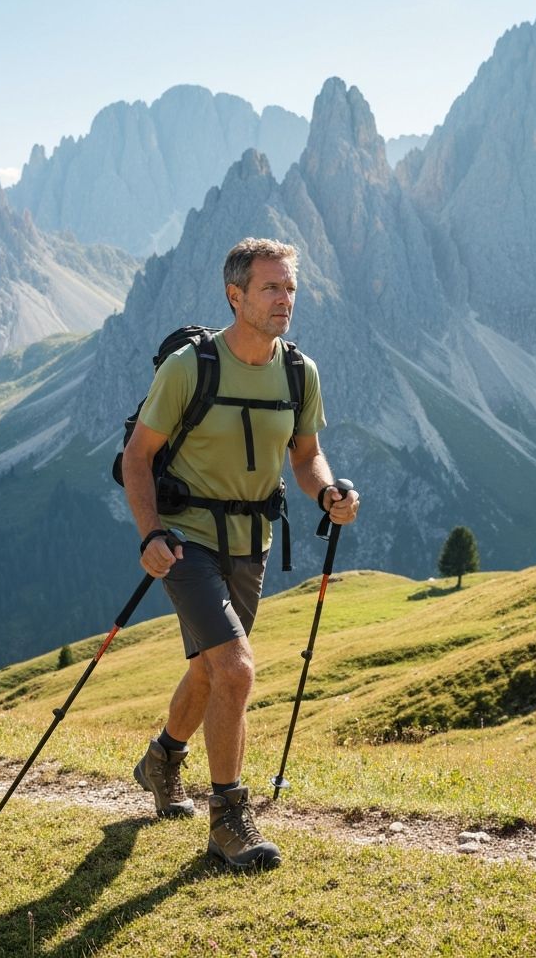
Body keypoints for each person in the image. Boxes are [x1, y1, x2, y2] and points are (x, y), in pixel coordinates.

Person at [120, 237, 359, 870]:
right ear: (236, 295)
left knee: (209, 668)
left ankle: (161, 760)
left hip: (252, 544)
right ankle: (229, 819)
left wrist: (328, 491)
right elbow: (137, 457)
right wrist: (150, 533)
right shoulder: (190, 368)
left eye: (290, 289)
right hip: (185, 541)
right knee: (236, 669)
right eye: (271, 288)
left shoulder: (299, 372)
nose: (285, 300)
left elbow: (304, 458)